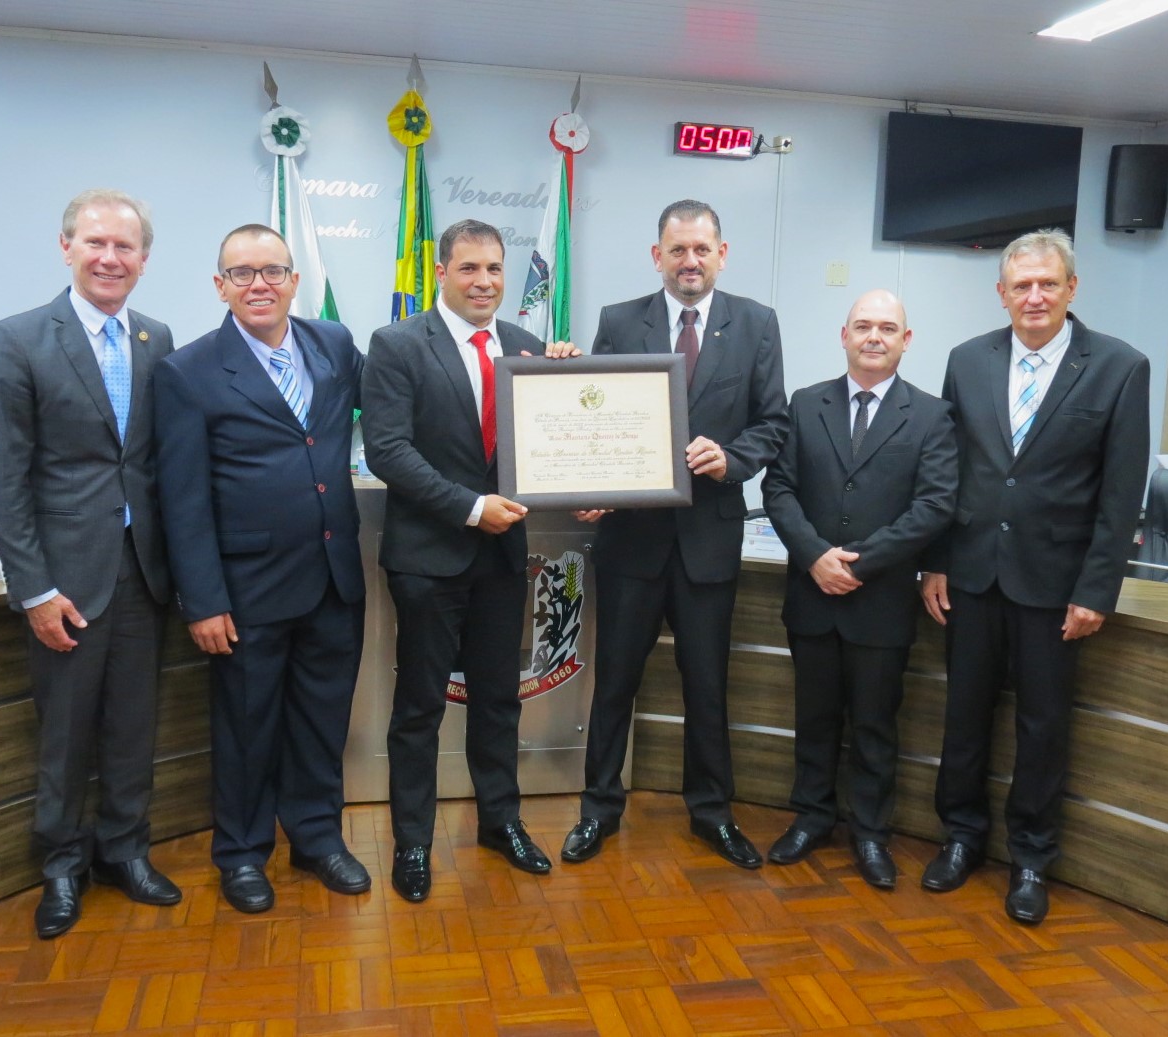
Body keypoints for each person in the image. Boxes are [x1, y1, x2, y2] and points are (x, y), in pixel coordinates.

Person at [920, 229, 1150, 924]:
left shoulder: (1117, 366)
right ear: (1001, 293)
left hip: (1055, 587)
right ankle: (960, 837)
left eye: (1047, 283)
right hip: (969, 576)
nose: (1034, 296)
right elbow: (946, 469)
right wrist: (932, 558)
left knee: (1042, 727)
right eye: (1020, 285)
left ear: (1071, 289)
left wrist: (1095, 588)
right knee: (963, 718)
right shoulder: (966, 360)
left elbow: (1120, 490)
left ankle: (1029, 858)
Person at [0, 188, 180, 939]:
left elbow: (155, 462)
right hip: (64, 580)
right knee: (64, 733)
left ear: (144, 261)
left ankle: (125, 851)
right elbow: (3, 476)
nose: (109, 257)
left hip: (142, 572)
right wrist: (34, 588)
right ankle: (60, 865)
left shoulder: (156, 338)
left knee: (133, 726)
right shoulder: (18, 338)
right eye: (95, 243)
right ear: (66, 247)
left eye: (125, 247)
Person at [561, 199, 788, 868]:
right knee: (613, 684)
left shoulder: (756, 323)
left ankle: (711, 814)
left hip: (707, 539)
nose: (689, 260)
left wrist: (733, 459)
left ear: (722, 254)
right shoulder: (617, 320)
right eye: (677, 249)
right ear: (655, 255)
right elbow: (590, 417)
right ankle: (598, 810)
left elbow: (771, 423)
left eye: (701, 249)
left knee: (706, 686)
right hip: (631, 541)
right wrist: (590, 488)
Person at [153, 224, 368, 914]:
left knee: (320, 720)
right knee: (246, 727)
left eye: (272, 271)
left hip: (333, 576)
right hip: (246, 592)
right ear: (219, 286)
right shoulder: (187, 371)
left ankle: (316, 838)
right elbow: (181, 499)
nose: (258, 285)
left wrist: (535, 364)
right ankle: (242, 853)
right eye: (240, 274)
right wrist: (202, 600)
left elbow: (402, 390)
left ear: (294, 280)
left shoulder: (332, 343)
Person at [362, 219, 576, 902]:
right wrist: (468, 505)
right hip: (428, 558)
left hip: (501, 559)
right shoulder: (396, 344)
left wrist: (564, 381)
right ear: (441, 272)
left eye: (493, 269)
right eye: (468, 269)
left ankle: (500, 822)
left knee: (497, 699)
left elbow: (553, 439)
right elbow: (387, 451)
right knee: (420, 705)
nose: (483, 281)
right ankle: (415, 843)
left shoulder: (524, 346)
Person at [761, 290, 956, 888]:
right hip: (812, 596)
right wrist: (816, 556)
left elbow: (935, 505)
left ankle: (871, 834)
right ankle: (812, 817)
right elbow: (779, 489)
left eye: (888, 328)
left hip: (881, 603)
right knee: (814, 718)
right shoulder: (804, 403)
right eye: (864, 326)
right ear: (843, 334)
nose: (875, 336)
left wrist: (859, 564)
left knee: (874, 725)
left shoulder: (931, 415)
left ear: (906, 340)